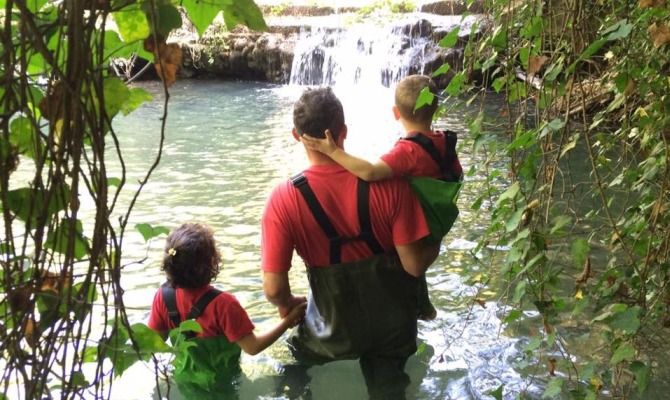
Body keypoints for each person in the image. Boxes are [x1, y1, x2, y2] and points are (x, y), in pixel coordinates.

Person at [261, 87, 440, 399]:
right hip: (393, 329)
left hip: (330, 332)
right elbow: (413, 265)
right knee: (390, 385)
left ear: (296, 135)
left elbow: (274, 289)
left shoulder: (283, 199)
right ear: (343, 131)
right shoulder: (392, 186)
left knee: (296, 360)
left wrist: (288, 306)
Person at [300, 74, 464, 320]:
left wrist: (332, 150)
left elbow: (370, 172)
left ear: (396, 113)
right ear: (435, 108)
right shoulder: (443, 140)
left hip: (425, 217)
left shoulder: (408, 151)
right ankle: (424, 306)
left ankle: (417, 305)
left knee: (409, 263)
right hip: (441, 209)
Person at [148, 223, 306, 399]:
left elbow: (154, 343)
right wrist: (288, 321)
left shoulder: (162, 297)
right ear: (210, 263)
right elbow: (253, 347)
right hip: (221, 386)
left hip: (184, 382)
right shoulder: (224, 304)